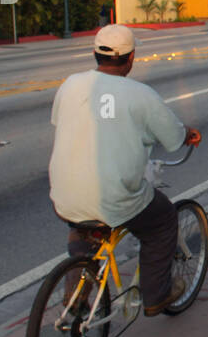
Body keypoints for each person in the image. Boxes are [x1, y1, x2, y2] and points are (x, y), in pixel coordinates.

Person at [48, 24, 200, 316]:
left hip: (63, 194)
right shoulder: (140, 94)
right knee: (163, 220)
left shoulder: (70, 84)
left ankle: (75, 291)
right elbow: (173, 138)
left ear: (95, 54)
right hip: (114, 196)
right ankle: (157, 295)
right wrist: (188, 133)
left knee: (83, 226)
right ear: (130, 59)